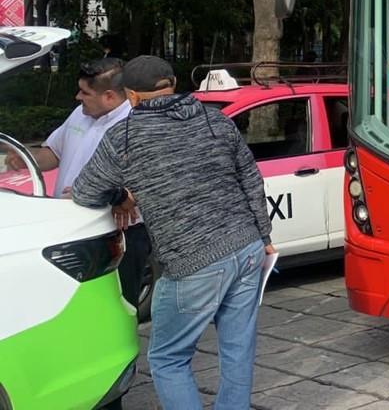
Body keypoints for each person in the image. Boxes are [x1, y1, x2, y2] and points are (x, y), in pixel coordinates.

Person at [72, 56, 274, 410]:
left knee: (168, 358)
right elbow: (250, 179)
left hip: (192, 261)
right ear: (173, 83)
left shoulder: (124, 136)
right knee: (238, 351)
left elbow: (86, 192)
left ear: (131, 97)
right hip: (247, 247)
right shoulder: (215, 121)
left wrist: (120, 196)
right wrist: (265, 237)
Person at [4, 59, 150, 308]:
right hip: (68, 226)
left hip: (116, 235)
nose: (77, 97)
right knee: (68, 304)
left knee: (116, 305)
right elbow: (54, 154)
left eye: (85, 92)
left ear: (109, 96)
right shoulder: (81, 113)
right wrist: (26, 157)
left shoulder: (139, 125)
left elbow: (151, 179)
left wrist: (118, 195)